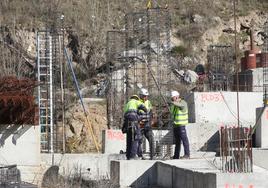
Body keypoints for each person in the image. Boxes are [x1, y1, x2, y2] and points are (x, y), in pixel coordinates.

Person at [122, 95, 147, 160]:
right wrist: (146, 111)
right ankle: (133, 156)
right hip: (134, 121)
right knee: (136, 138)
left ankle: (128, 156)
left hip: (128, 122)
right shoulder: (136, 101)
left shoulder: (127, 104)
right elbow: (142, 106)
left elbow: (125, 115)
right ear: (136, 98)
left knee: (129, 139)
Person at [170, 91, 190, 159]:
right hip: (175, 125)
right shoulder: (174, 105)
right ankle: (176, 155)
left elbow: (181, 106)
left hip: (181, 125)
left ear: (177, 96)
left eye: (173, 98)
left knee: (184, 140)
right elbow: (172, 113)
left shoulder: (183, 102)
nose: (172, 99)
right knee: (177, 142)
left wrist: (173, 103)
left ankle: (187, 154)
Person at [137, 88, 154, 160]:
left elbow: (151, 111)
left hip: (147, 124)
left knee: (151, 139)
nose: (145, 97)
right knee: (139, 140)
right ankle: (140, 156)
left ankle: (152, 156)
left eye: (146, 96)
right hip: (139, 124)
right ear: (140, 95)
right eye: (144, 96)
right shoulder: (137, 102)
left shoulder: (148, 102)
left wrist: (152, 120)